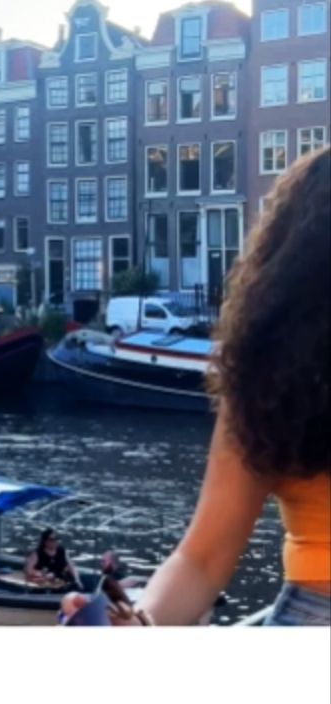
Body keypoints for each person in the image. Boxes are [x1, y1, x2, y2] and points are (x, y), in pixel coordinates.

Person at [63, 147, 330, 627]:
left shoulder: (270, 374)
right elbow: (202, 558)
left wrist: (140, 621)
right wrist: (137, 622)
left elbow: (203, 559)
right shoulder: (271, 375)